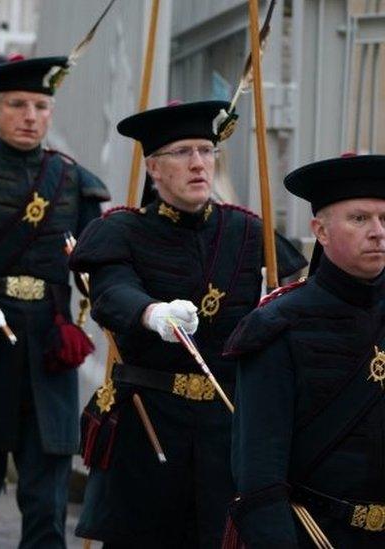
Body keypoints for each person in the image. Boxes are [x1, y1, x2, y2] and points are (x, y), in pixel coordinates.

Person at [69, 100, 307, 548]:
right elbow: (110, 292)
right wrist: (151, 313)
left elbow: (290, 299)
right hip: (150, 423)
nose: (199, 163)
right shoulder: (123, 230)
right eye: (182, 152)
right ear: (154, 169)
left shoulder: (249, 232)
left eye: (206, 150)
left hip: (226, 425)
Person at [0, 56, 110, 548]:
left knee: (48, 509)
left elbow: (100, 263)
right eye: (19, 105)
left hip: (48, 351)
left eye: (41, 105)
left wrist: (115, 297)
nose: (31, 116)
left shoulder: (75, 181)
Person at [224, 154, 385, 548]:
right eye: (359, 218)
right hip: (313, 533)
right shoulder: (278, 326)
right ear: (321, 231)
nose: (378, 232)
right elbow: (259, 476)